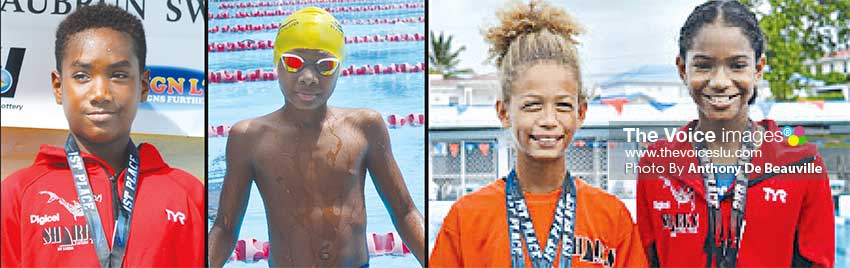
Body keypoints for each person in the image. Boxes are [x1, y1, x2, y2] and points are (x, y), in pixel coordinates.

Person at [429, 1, 648, 267]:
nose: (548, 120)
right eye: (532, 105)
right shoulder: (467, 217)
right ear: (504, 111)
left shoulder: (612, 216)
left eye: (563, 105)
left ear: (581, 112)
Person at [207, 7, 425, 267]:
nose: (309, 78)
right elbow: (226, 227)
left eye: (325, 65)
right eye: (294, 62)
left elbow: (405, 212)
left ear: (339, 69)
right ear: (276, 63)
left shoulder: (365, 127)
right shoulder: (249, 139)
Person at [0, 4, 205, 267]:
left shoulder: (187, 193)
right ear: (58, 86)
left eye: (118, 75)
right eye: (82, 76)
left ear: (142, 86)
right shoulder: (18, 194)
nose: (100, 94)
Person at [635, 1, 835, 267]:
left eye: (737, 65)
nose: (719, 81)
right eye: (703, 65)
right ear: (683, 69)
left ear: (758, 69)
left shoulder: (802, 164)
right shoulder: (657, 165)